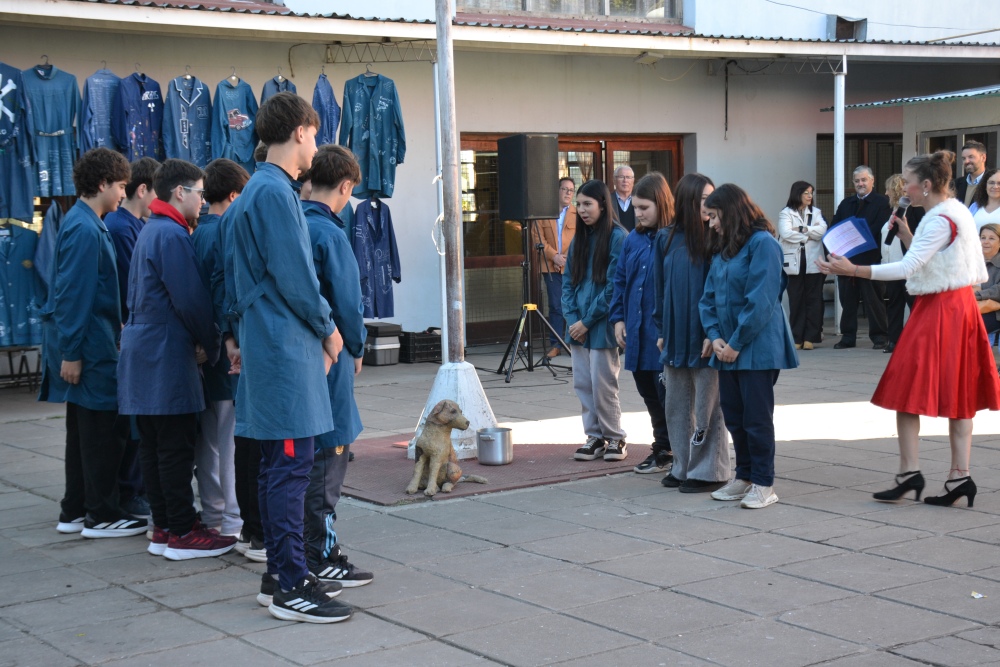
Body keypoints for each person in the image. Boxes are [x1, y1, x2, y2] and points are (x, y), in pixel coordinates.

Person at [225, 92, 350, 623]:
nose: (317, 145)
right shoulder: (274, 193)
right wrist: (329, 330)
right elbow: (297, 275)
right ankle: (291, 584)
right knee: (290, 466)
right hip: (284, 344)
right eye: (316, 134)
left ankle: (280, 573)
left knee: (279, 464)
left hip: (269, 340)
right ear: (300, 130)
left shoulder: (258, 189)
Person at [818, 150, 1000, 508]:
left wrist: (854, 270)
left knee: (905, 390)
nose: (904, 187)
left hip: (939, 309)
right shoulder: (958, 211)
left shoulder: (938, 218)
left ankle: (910, 473)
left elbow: (909, 267)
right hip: (959, 306)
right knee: (960, 396)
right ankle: (959, 478)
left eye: (908, 181)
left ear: (926, 184)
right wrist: (906, 232)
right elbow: (939, 259)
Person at [118, 158, 230, 560]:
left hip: (144, 354)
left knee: (154, 446)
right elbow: (192, 301)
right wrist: (213, 344)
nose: (202, 201)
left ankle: (165, 526)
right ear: (179, 192)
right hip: (165, 356)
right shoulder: (171, 235)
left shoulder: (152, 229)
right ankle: (182, 531)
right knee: (174, 448)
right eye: (199, 193)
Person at [40, 147, 148, 539]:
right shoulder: (86, 228)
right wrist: (72, 353)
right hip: (90, 349)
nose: (123, 194)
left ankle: (74, 509)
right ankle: (101, 514)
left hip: (91, 345)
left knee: (83, 431)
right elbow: (73, 295)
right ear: (102, 184)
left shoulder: (85, 222)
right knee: (104, 433)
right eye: (120, 186)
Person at [301, 145, 374, 588]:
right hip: (332, 356)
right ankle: (323, 552)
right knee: (330, 453)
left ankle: (307, 548)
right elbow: (348, 302)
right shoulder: (329, 233)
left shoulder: (294, 225)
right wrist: (358, 345)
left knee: (304, 458)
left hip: (297, 357)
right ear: (345, 186)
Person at [700, 184, 799, 509]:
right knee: (736, 417)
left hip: (756, 349)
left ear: (731, 211)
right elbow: (708, 299)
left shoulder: (763, 244)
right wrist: (715, 336)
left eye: (714, 216)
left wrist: (735, 343)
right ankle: (744, 477)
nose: (711, 223)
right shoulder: (725, 248)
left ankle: (763, 483)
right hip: (727, 348)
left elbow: (761, 300)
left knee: (757, 418)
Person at [654, 173, 730, 492]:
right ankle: (682, 466)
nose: (709, 206)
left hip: (704, 337)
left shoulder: (716, 238)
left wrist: (713, 334)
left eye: (712, 200)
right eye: (703, 200)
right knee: (676, 405)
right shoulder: (665, 238)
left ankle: (709, 471)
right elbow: (659, 287)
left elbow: (721, 292)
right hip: (674, 335)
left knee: (707, 408)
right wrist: (660, 328)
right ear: (687, 201)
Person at [190, 158, 250, 540]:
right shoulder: (227, 230)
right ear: (233, 195)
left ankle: (212, 512)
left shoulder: (194, 232)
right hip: (222, 347)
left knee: (206, 439)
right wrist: (230, 340)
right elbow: (223, 289)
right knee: (228, 441)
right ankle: (231, 518)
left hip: (200, 348)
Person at [104, 155, 160, 522]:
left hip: (134, 335)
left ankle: (134, 490)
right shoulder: (123, 227)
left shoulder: (132, 224)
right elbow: (132, 286)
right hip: (132, 335)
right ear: (144, 191)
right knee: (133, 426)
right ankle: (130, 491)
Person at [610, 172, 673, 475]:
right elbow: (620, 281)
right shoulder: (633, 238)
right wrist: (618, 319)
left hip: (662, 335)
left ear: (661, 205)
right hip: (636, 332)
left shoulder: (674, 237)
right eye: (635, 207)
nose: (638, 213)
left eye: (644, 208)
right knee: (649, 393)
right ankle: (662, 447)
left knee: (668, 395)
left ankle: (671, 449)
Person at [563, 179, 628, 461]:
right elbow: (567, 282)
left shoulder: (618, 237)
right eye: (579, 204)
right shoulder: (580, 237)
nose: (582, 209)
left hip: (600, 326)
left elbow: (614, 286)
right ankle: (594, 437)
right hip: (578, 327)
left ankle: (615, 439)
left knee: (604, 386)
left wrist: (587, 321)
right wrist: (572, 319)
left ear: (603, 204)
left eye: (587, 203)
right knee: (583, 384)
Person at [830, 166, 892, 350]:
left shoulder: (883, 202)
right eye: (857, 181)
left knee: (874, 299)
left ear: (872, 181)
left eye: (864, 180)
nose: (860, 184)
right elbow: (835, 227)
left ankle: (879, 336)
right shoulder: (846, 204)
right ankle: (848, 337)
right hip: (846, 259)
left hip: (870, 259)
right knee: (847, 301)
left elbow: (880, 229)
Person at [776, 181, 827, 350]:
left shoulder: (816, 212)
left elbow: (823, 230)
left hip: (813, 262)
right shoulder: (786, 213)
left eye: (811, 192)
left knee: (813, 300)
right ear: (797, 194)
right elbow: (786, 233)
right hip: (794, 264)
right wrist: (808, 235)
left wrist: (802, 229)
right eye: (806, 192)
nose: (809, 196)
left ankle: (811, 338)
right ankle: (797, 337)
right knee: (796, 300)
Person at [880, 174, 925, 354]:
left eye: (888, 189)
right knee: (893, 302)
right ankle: (894, 339)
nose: (885, 193)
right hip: (892, 266)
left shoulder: (915, 210)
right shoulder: (895, 210)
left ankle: (917, 338)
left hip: (908, 265)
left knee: (912, 302)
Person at [533, 176, 577, 358]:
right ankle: (556, 344)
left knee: (575, 304)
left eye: (571, 190)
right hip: (550, 266)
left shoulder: (577, 213)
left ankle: (576, 341)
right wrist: (554, 256)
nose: (568, 192)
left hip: (572, 265)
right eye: (564, 189)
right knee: (556, 305)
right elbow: (537, 238)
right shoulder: (544, 213)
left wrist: (567, 258)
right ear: (556, 191)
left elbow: (582, 238)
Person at [974, 223, 1000, 336]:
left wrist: (978, 292)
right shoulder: (970, 260)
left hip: (995, 312)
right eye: (983, 238)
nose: (986, 241)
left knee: (970, 325)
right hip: (971, 305)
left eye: (991, 238)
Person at [955, 140, 988, 209]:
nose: (966, 161)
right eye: (964, 158)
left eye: (971, 157)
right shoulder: (956, 184)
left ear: (983, 158)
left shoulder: (993, 182)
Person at [611, 165, 636, 232]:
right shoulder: (607, 201)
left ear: (633, 180)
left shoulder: (640, 200)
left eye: (628, 177)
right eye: (621, 177)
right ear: (614, 180)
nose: (625, 180)